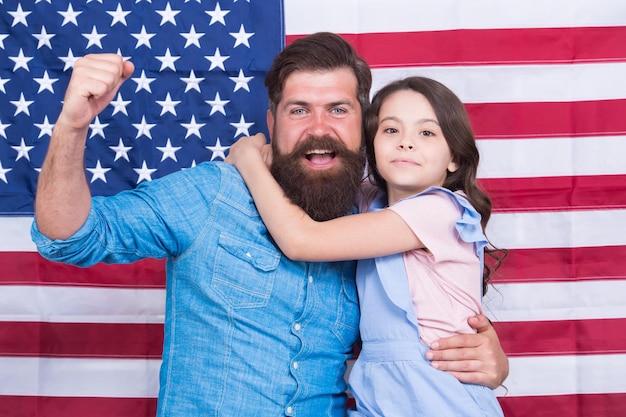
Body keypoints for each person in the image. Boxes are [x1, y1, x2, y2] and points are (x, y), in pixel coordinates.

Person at [31, 33, 508, 417]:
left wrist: (489, 358)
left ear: (361, 125)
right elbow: (70, 237)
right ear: (271, 122)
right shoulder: (211, 193)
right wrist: (72, 126)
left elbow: (421, 314)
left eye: (338, 110)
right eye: (299, 109)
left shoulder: (372, 220)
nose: (318, 127)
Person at [226, 76, 506, 416]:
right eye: (391, 130)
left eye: (427, 133)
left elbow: (302, 239)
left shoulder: (441, 210)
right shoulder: (371, 202)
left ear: (455, 160)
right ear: (371, 146)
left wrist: (247, 159)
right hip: (378, 396)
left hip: (437, 394)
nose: (406, 143)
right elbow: (313, 178)